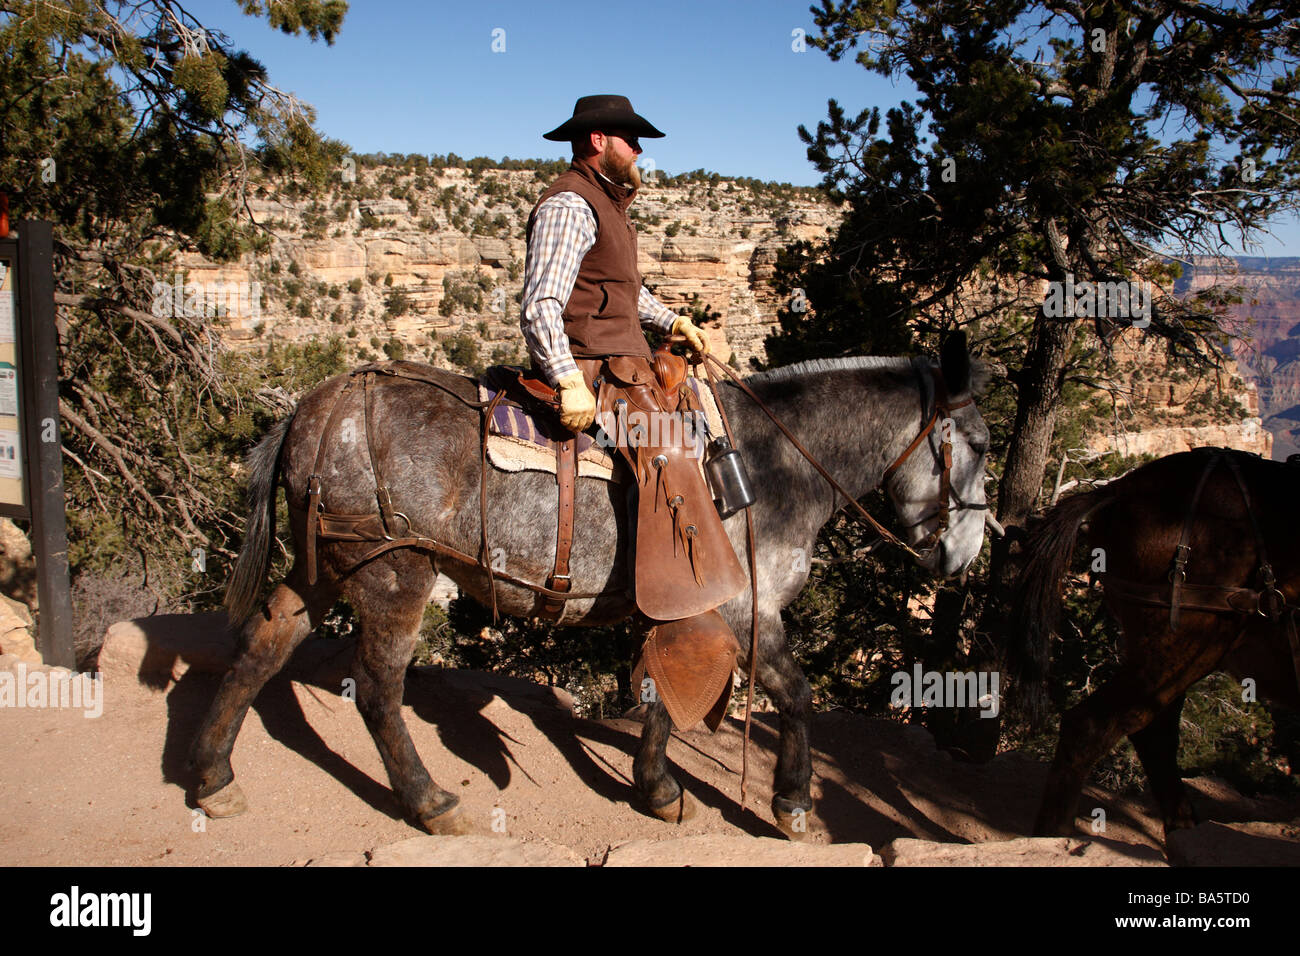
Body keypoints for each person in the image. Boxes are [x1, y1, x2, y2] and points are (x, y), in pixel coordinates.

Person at [519, 94, 711, 430]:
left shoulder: (608, 205)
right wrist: (567, 378)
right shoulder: (571, 206)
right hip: (595, 372)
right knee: (677, 458)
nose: (639, 150)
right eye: (631, 140)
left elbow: (620, 289)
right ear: (598, 139)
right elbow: (541, 305)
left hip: (624, 368)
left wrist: (673, 323)